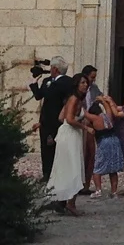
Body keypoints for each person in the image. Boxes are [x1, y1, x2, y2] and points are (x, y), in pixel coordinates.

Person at [46, 74, 94, 215]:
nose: (85, 85)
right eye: (82, 82)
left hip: (68, 134)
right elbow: (69, 119)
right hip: (70, 135)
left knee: (67, 166)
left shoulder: (73, 99)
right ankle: (70, 203)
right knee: (73, 167)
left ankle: (63, 200)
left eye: (86, 82)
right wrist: (85, 127)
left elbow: (61, 117)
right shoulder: (74, 99)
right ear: (76, 84)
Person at [31, 57, 76, 182]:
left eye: (51, 67)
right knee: (46, 149)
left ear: (55, 69)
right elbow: (39, 96)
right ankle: (47, 173)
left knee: (57, 148)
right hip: (46, 121)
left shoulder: (67, 82)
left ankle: (57, 174)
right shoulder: (47, 81)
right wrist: (34, 83)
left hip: (58, 120)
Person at [90, 93, 124, 199]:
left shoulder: (94, 118)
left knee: (97, 167)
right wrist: (103, 101)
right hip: (114, 141)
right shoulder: (108, 116)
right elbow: (108, 108)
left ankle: (98, 190)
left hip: (104, 142)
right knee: (113, 168)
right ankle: (114, 192)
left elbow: (84, 114)